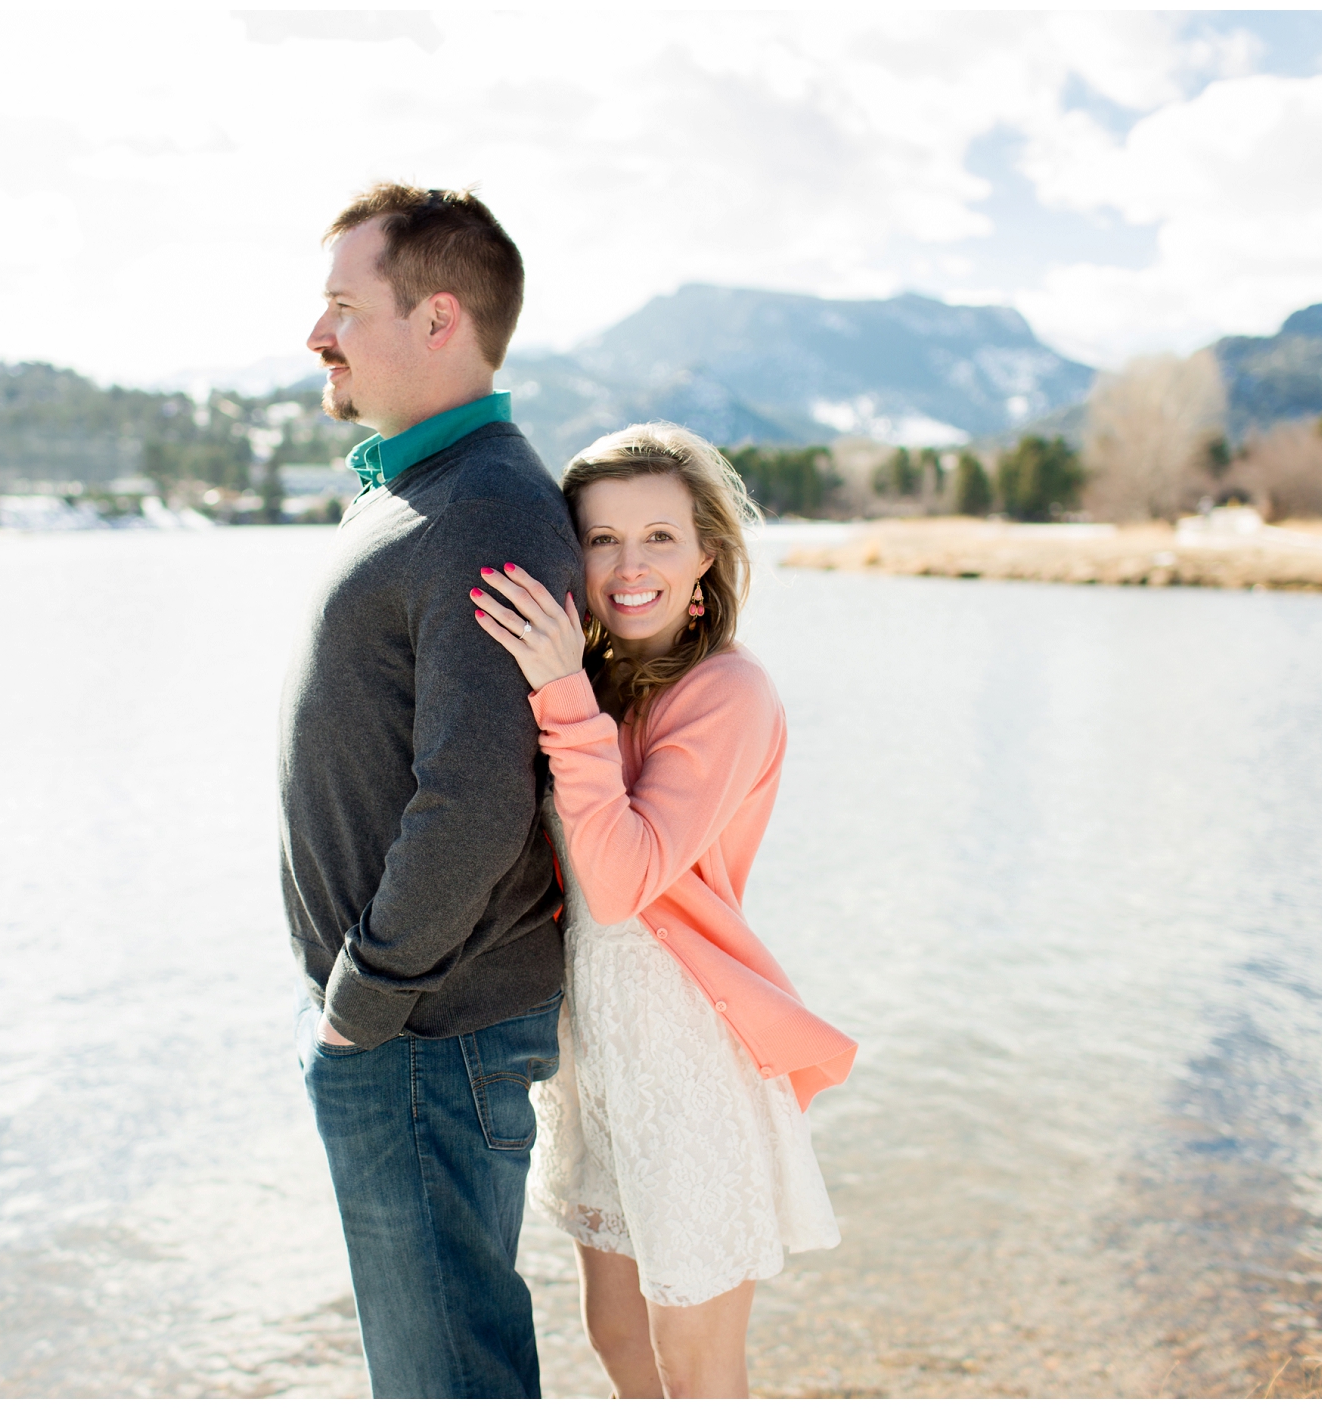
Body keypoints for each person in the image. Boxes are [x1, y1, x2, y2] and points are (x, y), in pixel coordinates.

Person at [471, 423, 858, 1397]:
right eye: (600, 538)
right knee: (613, 1336)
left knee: (695, 1365)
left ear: (705, 557)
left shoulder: (728, 689)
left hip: (684, 1057)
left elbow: (622, 878)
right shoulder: (593, 681)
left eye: (658, 536)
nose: (628, 563)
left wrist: (561, 691)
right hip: (592, 1052)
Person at [278, 183, 583, 1398]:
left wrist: (366, 995)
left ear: (438, 317)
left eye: (344, 306)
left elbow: (473, 798)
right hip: (406, 1023)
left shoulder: (485, 506)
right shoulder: (426, 489)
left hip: (422, 1029)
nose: (318, 334)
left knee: (446, 1376)